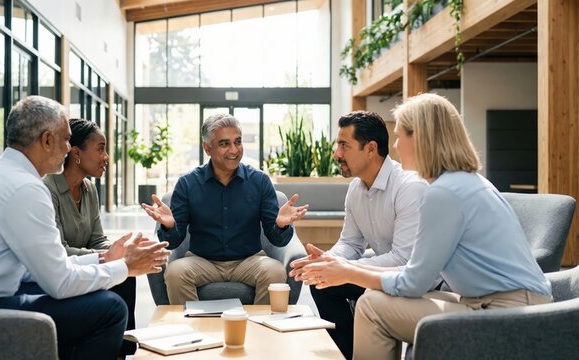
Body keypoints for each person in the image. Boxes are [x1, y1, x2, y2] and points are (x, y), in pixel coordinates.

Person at [0, 96, 170, 360]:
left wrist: (104, 258)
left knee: (100, 291)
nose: (70, 149)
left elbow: (34, 270)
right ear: (47, 141)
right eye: (67, 140)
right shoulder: (25, 188)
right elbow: (60, 283)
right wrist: (125, 266)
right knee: (109, 308)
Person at [297, 93, 553, 360]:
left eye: (399, 136)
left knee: (372, 305)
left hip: (506, 315)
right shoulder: (462, 182)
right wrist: (338, 266)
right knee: (372, 300)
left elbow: (413, 282)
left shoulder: (442, 193)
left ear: (421, 137)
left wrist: (348, 270)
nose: (394, 146)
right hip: (489, 303)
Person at [288, 111, 427, 359]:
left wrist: (343, 267)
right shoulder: (355, 189)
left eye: (344, 145)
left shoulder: (408, 187)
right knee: (322, 283)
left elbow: (404, 258)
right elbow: (350, 242)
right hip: (381, 273)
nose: (337, 153)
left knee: (333, 275)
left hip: (410, 280)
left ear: (370, 149)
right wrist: (328, 260)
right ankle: (346, 353)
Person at [140, 113, 309, 305]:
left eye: (238, 142)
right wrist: (169, 226)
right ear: (207, 148)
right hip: (202, 261)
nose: (234, 150)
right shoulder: (187, 184)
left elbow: (277, 239)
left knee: (275, 271)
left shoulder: (260, 181)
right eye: (224, 144)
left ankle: (259, 331)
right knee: (175, 272)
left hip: (249, 260)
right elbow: (173, 242)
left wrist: (280, 225)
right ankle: (190, 331)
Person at [43, 118, 139, 356]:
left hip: (84, 265)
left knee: (127, 272)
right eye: (100, 148)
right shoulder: (47, 189)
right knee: (120, 267)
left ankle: (122, 348)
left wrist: (120, 249)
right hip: (62, 273)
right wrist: (107, 256)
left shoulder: (89, 189)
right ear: (76, 153)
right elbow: (60, 250)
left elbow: (97, 239)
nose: (106, 157)